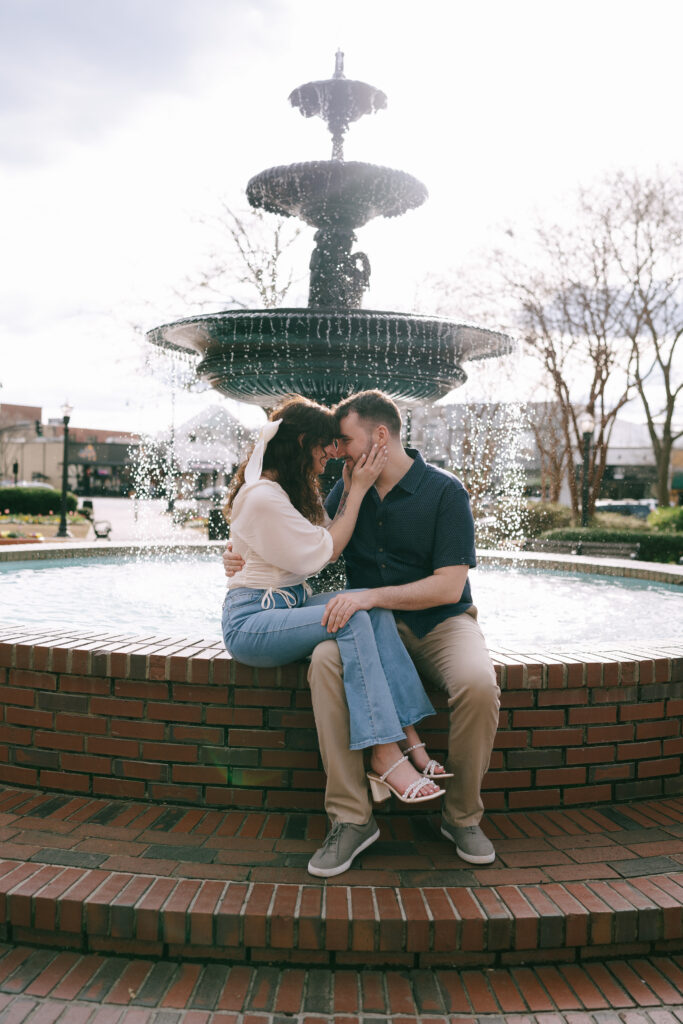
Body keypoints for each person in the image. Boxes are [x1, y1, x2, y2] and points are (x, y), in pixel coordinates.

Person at [220, 395, 450, 877]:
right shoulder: (264, 495)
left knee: (367, 602)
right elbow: (323, 552)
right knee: (352, 612)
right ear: (302, 442)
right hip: (253, 620)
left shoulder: (286, 492)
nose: (332, 457)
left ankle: (408, 736)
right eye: (325, 449)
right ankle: (385, 753)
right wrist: (360, 489)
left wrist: (349, 487)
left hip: (289, 605)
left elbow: (305, 540)